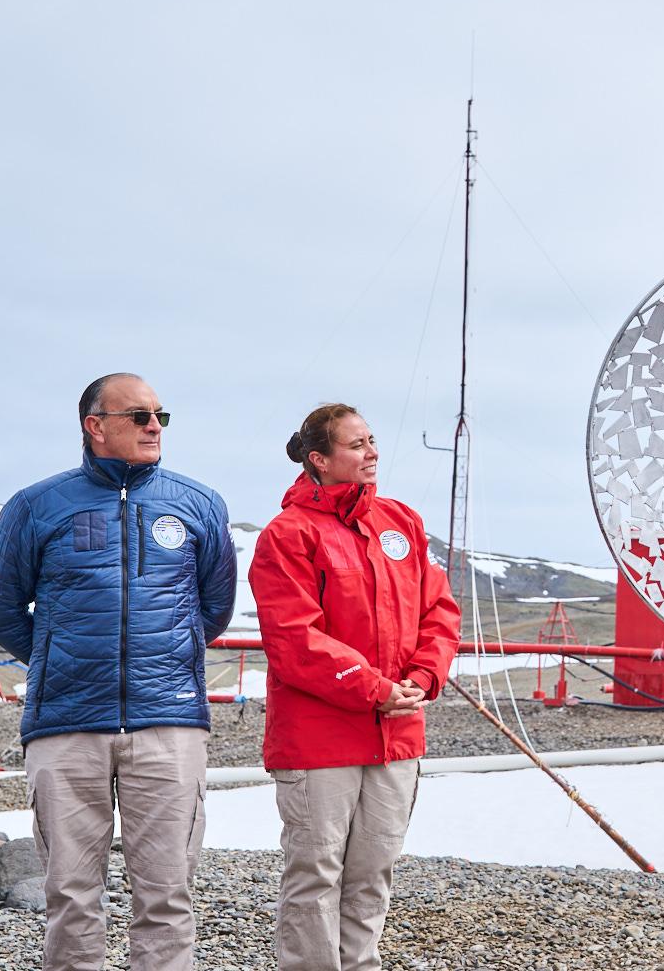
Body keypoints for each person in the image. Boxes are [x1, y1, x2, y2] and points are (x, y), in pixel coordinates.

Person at [0, 372, 237, 971]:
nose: (154, 426)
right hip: (66, 724)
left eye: (160, 417)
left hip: (169, 723)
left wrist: (164, 659)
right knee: (69, 894)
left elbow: (213, 607)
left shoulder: (197, 503)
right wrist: (60, 658)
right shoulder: (36, 505)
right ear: (95, 425)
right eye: (138, 415)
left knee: (167, 895)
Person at [247, 403, 463, 971]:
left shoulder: (402, 523)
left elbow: (438, 611)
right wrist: (375, 688)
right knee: (316, 876)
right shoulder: (287, 535)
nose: (370, 453)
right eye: (355, 445)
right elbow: (295, 638)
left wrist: (420, 678)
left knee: (372, 874)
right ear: (318, 459)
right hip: (319, 740)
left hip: (396, 733)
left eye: (371, 441)